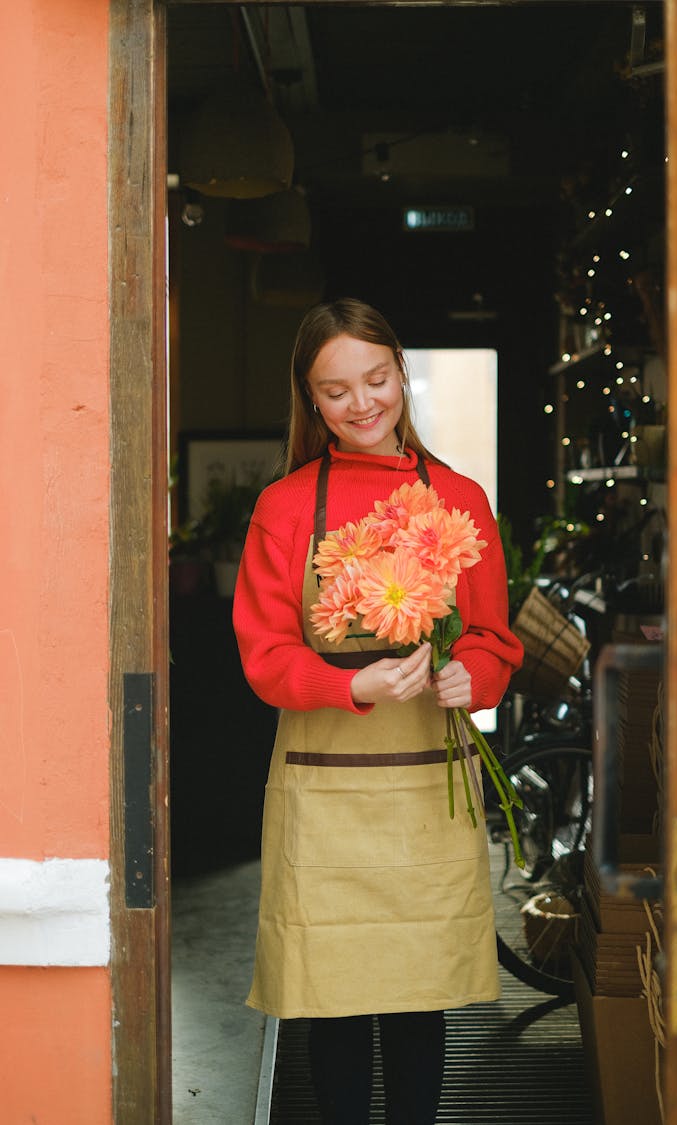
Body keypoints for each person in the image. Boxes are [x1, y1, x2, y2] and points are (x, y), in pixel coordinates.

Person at [233, 298, 523, 1124]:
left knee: (414, 993)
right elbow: (264, 654)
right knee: (334, 996)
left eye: (375, 379)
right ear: (311, 401)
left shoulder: (459, 498)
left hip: (426, 790)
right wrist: (348, 686)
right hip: (323, 797)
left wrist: (473, 671)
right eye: (336, 390)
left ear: (400, 371)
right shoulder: (285, 507)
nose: (362, 404)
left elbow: (496, 637)